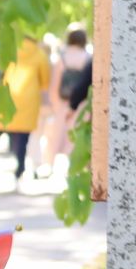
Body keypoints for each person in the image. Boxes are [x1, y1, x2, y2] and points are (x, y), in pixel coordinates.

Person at [0, 33, 52, 184]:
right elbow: (45, 79)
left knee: (13, 126)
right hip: (30, 96)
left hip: (10, 92)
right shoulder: (39, 54)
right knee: (24, 132)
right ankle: (20, 160)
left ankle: (16, 155)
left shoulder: (11, 50)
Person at [40, 26, 92, 173]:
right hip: (82, 106)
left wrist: (57, 105)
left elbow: (54, 85)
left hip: (62, 104)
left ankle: (49, 168)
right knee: (75, 141)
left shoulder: (61, 59)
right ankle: (75, 170)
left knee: (54, 140)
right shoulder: (88, 58)